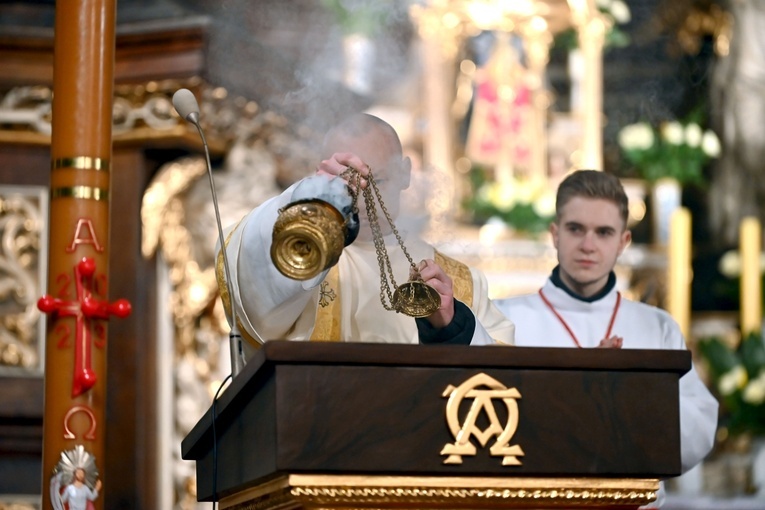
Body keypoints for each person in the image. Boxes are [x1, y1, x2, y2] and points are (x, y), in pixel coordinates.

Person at [494, 169, 718, 508]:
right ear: (555, 234)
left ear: (623, 242)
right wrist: (582, 389)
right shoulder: (502, 318)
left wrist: (626, 393)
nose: (588, 245)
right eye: (575, 229)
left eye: (603, 232)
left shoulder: (657, 327)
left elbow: (698, 428)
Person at [218, 113, 515, 350]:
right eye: (346, 184)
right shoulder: (303, 249)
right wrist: (312, 198)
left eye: (378, 181)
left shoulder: (460, 282)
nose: (362, 198)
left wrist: (452, 327)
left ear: (405, 173)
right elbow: (248, 281)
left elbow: (502, 381)